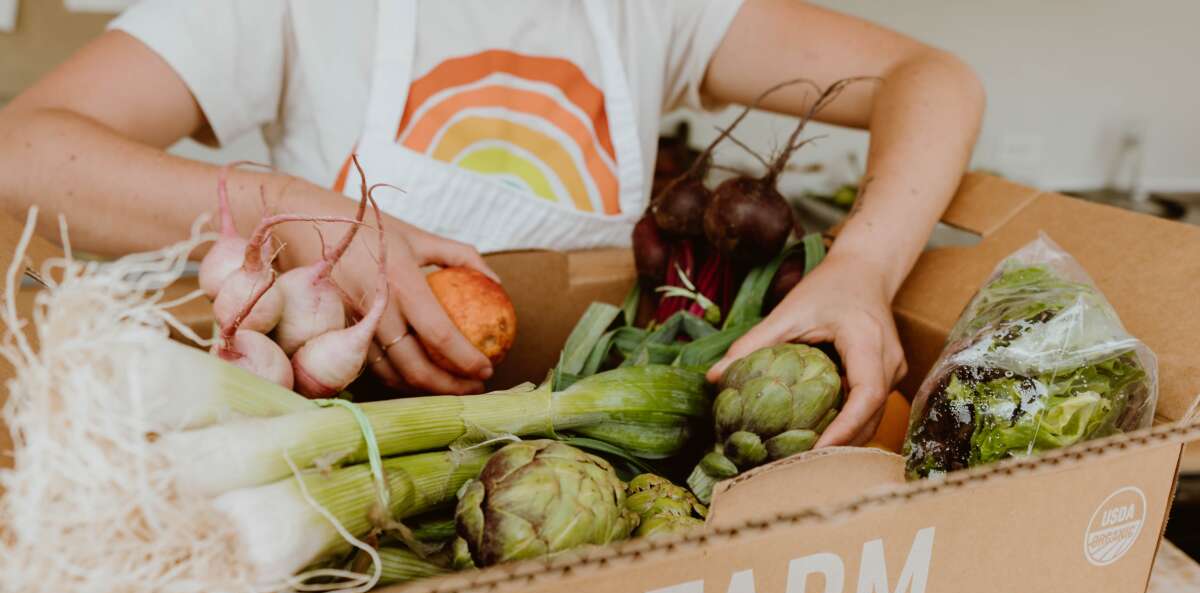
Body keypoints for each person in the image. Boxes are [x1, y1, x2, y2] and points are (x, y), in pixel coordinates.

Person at [0, 0, 983, 446]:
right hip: (349, 458)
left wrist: (861, 266)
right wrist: (298, 211)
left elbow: (931, 77)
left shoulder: (655, 11)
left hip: (586, 453)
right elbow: (24, 147)